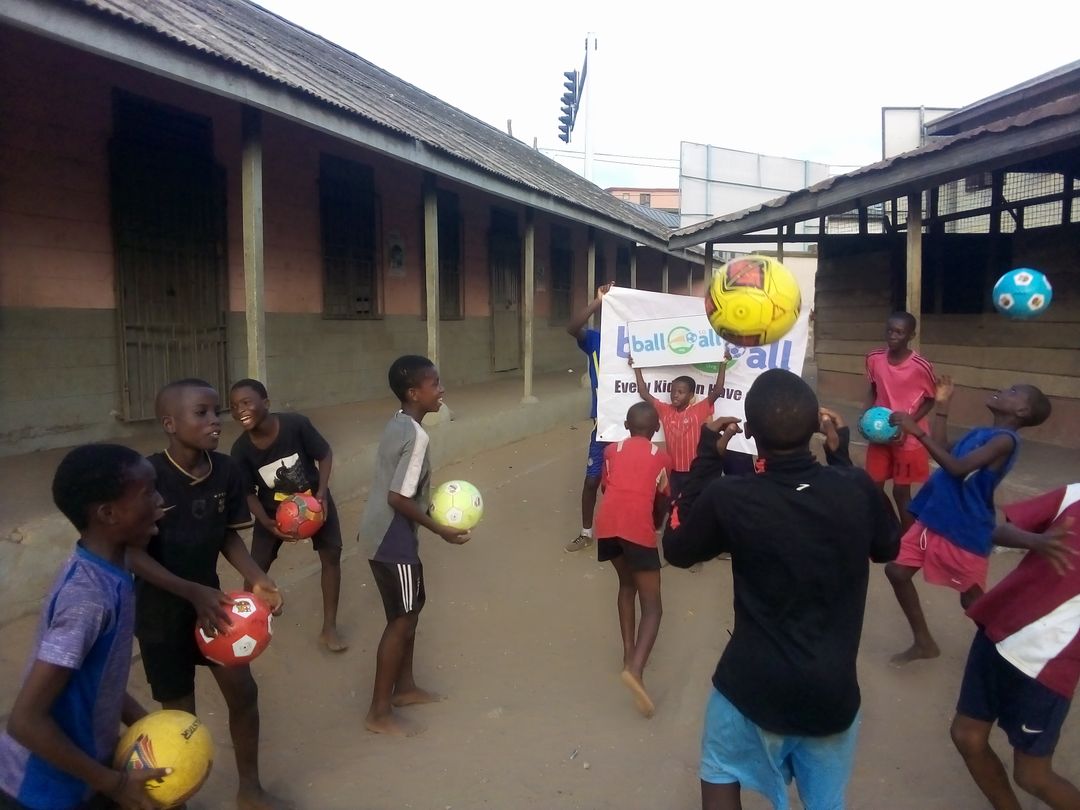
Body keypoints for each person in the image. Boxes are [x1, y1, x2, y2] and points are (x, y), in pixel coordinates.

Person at [664, 369, 898, 810]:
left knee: (720, 770)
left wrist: (706, 459)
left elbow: (676, 549)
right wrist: (842, 460)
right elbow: (887, 546)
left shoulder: (730, 496)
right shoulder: (854, 488)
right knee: (826, 802)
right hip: (832, 694)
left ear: (749, 433)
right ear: (818, 427)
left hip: (749, 686)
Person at [126, 379, 290, 810]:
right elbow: (132, 554)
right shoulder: (147, 476)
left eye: (217, 412)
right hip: (161, 614)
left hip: (213, 607)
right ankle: (178, 801)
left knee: (243, 693)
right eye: (201, 413)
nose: (215, 421)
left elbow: (228, 536)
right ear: (169, 423)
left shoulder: (226, 470)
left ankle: (250, 790)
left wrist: (257, 577)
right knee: (180, 719)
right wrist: (191, 591)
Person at [0, 445, 168, 810]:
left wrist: (152, 728)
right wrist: (116, 784)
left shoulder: (114, 570)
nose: (159, 500)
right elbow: (25, 722)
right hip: (38, 791)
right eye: (148, 493)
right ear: (108, 513)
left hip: (84, 774)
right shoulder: (88, 599)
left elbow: (101, 680)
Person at [886, 376, 1052, 665]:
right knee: (897, 572)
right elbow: (942, 448)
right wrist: (942, 407)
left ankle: (1009, 653)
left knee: (972, 600)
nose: (1002, 388)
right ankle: (924, 643)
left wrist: (917, 431)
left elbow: (957, 468)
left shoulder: (1005, 441)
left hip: (964, 528)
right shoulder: (980, 433)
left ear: (1022, 411)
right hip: (935, 518)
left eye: (1013, 391)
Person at [358, 355, 471, 737]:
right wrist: (440, 529)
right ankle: (378, 711)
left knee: (411, 610)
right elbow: (398, 497)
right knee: (401, 619)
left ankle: (404, 688)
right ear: (413, 393)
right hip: (393, 538)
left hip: (381, 533)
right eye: (434, 384)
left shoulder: (398, 423)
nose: (441, 390)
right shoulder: (417, 436)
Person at [951, 484, 1080, 810]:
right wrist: (1034, 541)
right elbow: (1000, 531)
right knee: (967, 736)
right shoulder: (1073, 495)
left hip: (1047, 664)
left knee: (1032, 776)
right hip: (997, 633)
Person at [229, 379, 345, 652]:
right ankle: (244, 623)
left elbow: (324, 454)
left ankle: (329, 628)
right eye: (233, 406)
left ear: (266, 403)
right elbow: (247, 492)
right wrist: (265, 521)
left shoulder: (295, 425)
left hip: (313, 502)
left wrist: (322, 494)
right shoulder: (241, 449)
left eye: (246, 402)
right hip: (272, 512)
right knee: (255, 568)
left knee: (331, 556)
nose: (239, 410)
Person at [594, 401, 673, 718]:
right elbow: (663, 499)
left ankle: (629, 654)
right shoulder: (661, 458)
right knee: (653, 606)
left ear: (626, 426)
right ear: (656, 429)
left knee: (626, 586)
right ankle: (636, 670)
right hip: (636, 528)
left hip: (607, 526)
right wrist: (655, 524)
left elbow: (606, 486)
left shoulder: (611, 450)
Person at [864, 311, 937, 532]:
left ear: (911, 335)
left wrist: (908, 425)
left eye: (899, 332)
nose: (893, 336)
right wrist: (865, 416)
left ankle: (908, 540)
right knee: (873, 487)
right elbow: (873, 389)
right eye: (889, 331)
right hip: (880, 431)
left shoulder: (921, 366)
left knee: (901, 491)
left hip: (908, 438)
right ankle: (889, 531)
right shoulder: (874, 358)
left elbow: (930, 400)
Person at [629, 351, 731, 500]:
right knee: (673, 504)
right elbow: (644, 393)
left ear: (691, 395)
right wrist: (636, 367)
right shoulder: (664, 410)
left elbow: (717, 391)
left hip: (695, 471)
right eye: (672, 391)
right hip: (674, 472)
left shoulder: (698, 410)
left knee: (693, 504)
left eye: (680, 392)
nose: (675, 395)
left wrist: (723, 364)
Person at [565, 281, 613, 553]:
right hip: (602, 424)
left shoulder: (637, 342)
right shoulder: (595, 340)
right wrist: (598, 301)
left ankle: (632, 530)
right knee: (592, 480)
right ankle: (586, 533)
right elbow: (572, 328)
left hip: (632, 427)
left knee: (630, 480)